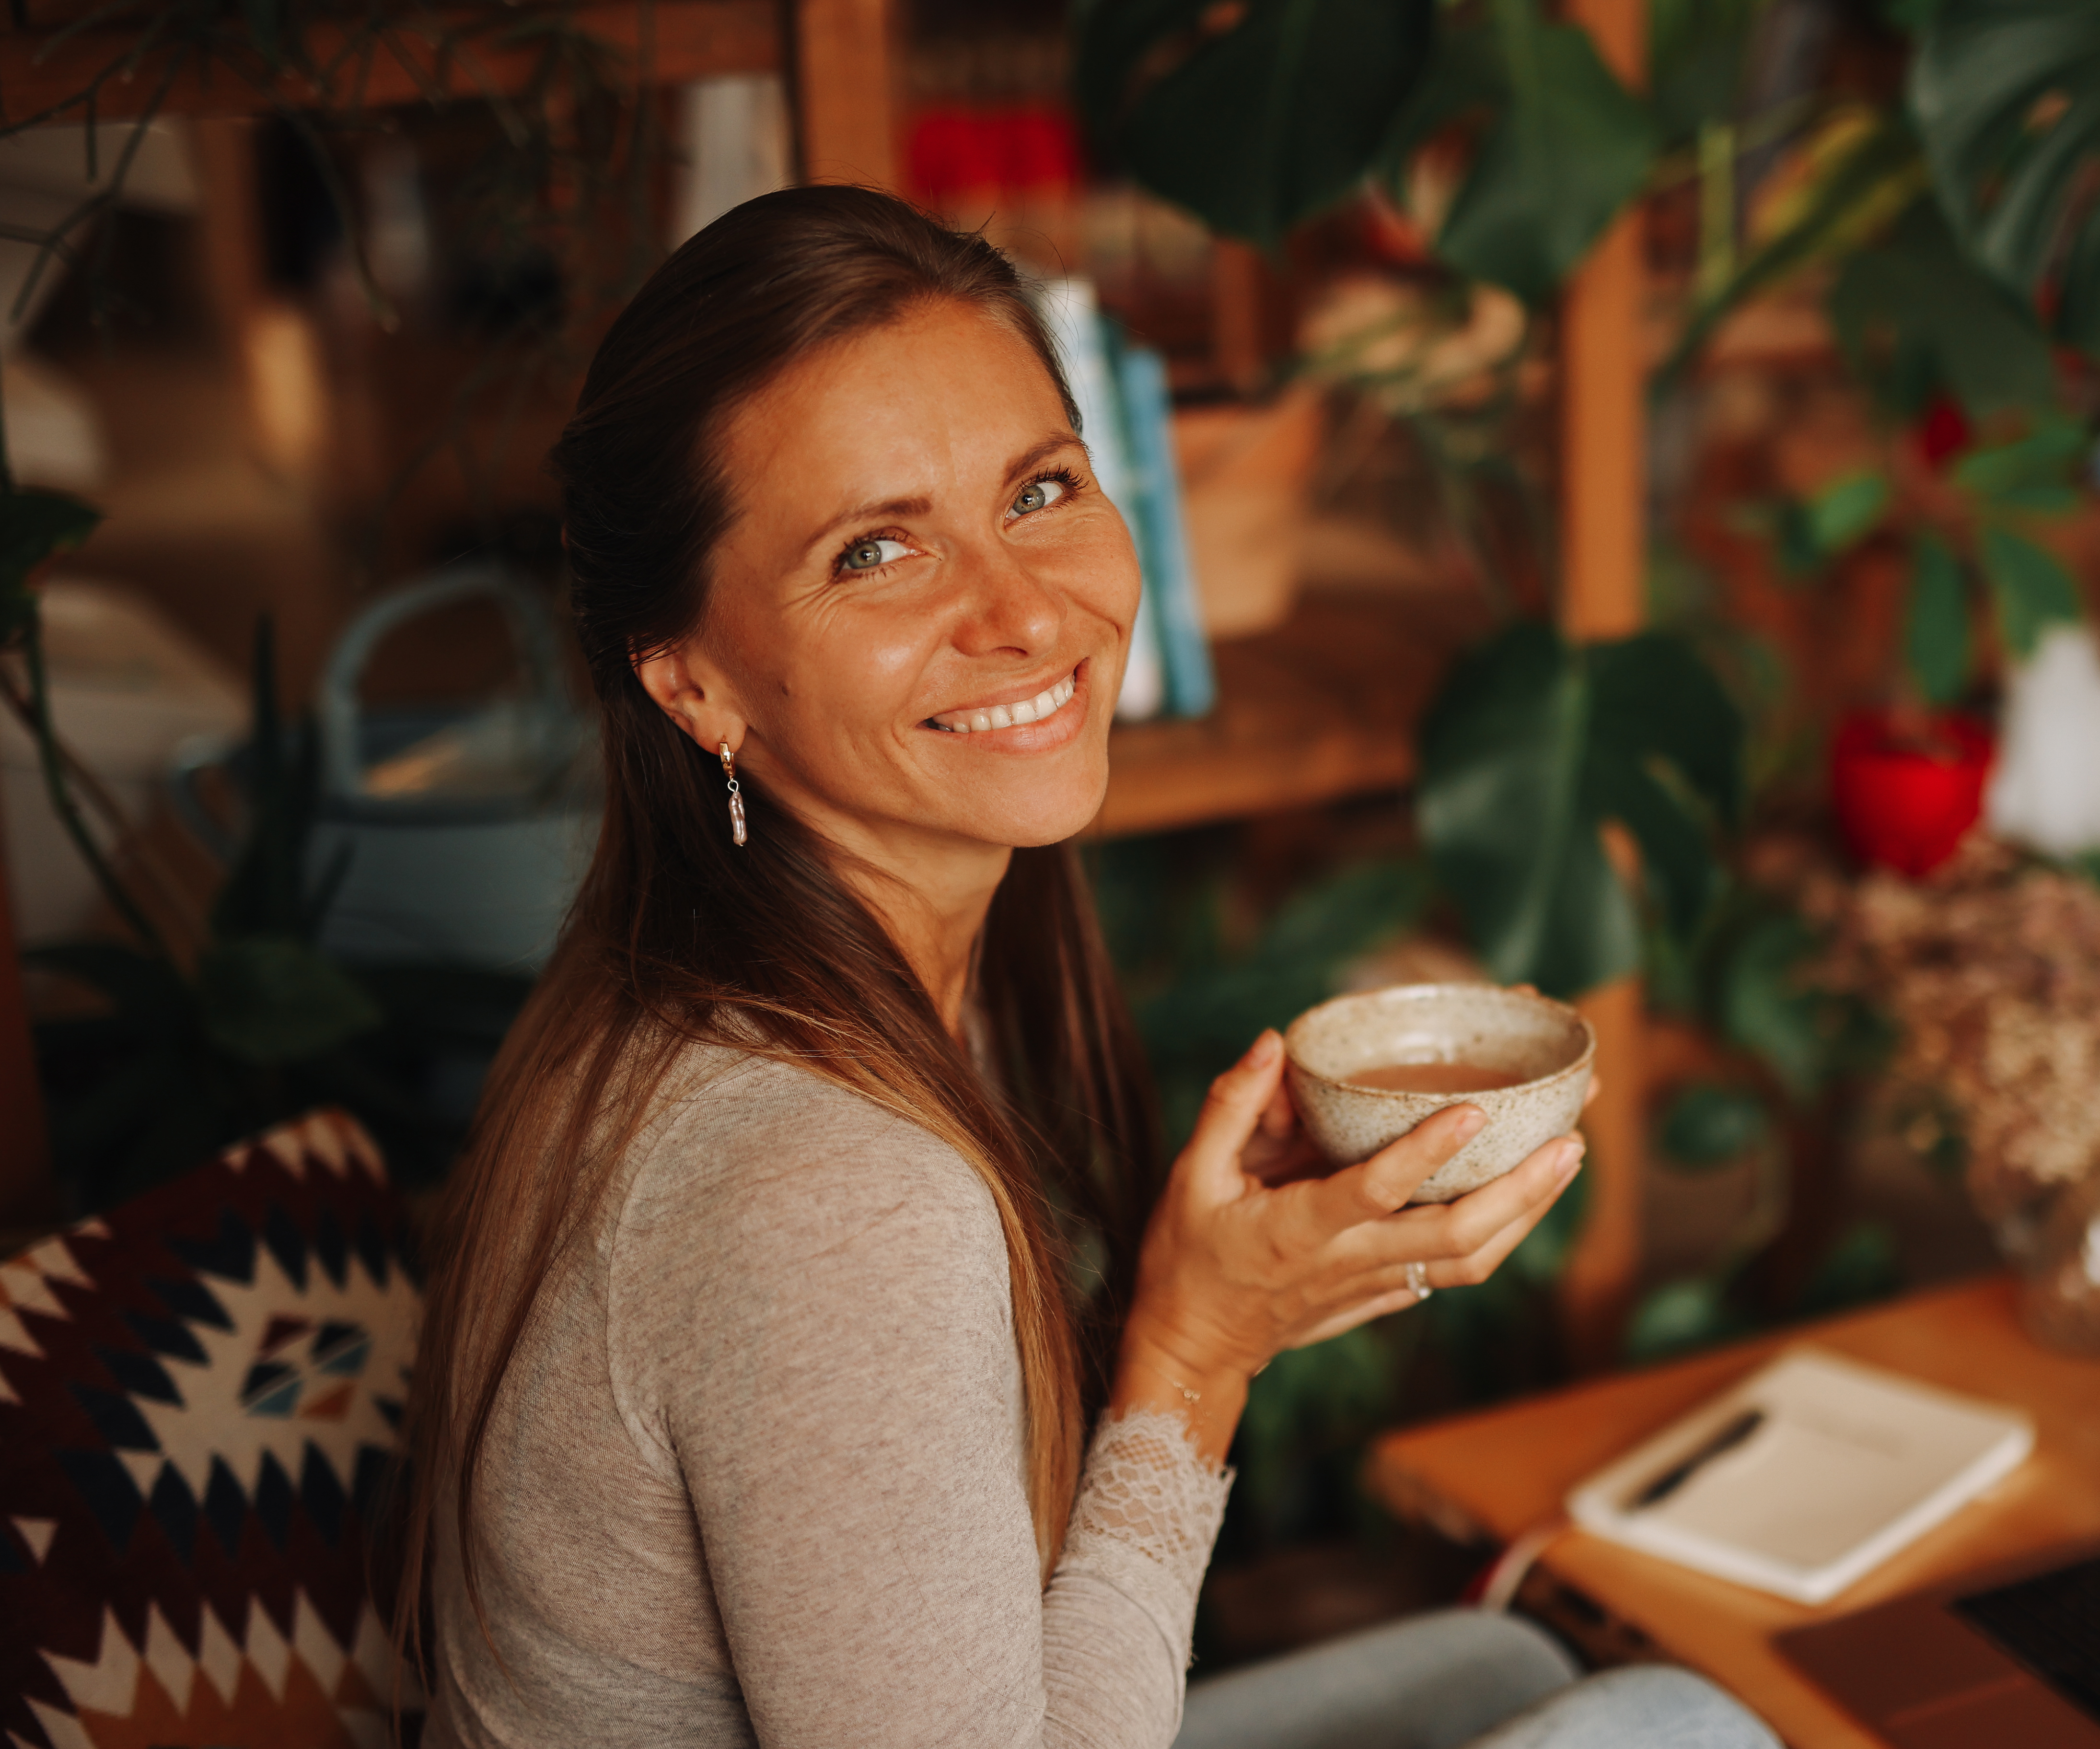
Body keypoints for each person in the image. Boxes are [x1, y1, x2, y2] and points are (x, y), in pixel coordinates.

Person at [400, 185, 1779, 1749]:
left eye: (1039, 491)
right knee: (1669, 1726)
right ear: (695, 682)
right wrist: (1190, 1365)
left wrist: (1199, 1286)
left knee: (1517, 1680)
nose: (1023, 610)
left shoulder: (703, 975)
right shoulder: (832, 1191)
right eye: (873, 553)